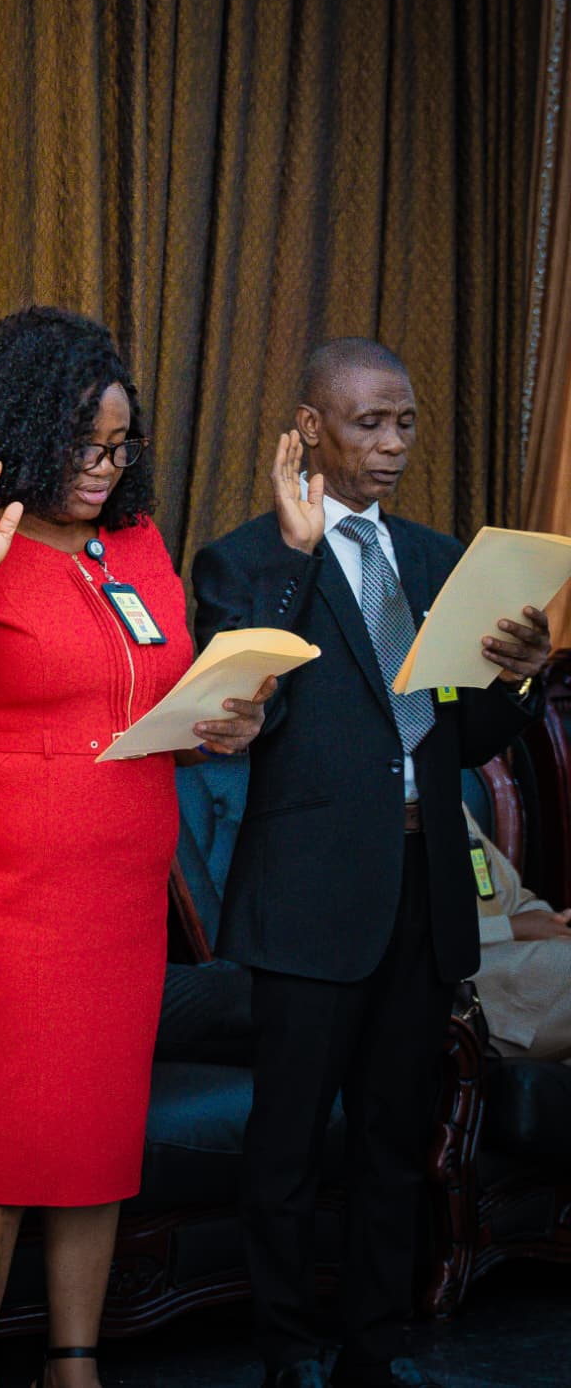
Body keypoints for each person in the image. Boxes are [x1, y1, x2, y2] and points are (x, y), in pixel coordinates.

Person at [0, 307, 268, 1388]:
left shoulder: (134, 542)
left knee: (97, 1124)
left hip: (118, 878)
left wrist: (220, 722)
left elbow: (153, 691)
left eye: (119, 445)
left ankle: (76, 1363)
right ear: (21, 432)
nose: (103, 467)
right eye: (82, 445)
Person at [191, 337, 551, 1388]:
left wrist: (517, 683)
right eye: (366, 423)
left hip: (419, 888)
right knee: (289, 1145)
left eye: (402, 423)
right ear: (309, 428)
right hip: (308, 898)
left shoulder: (440, 561)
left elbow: (467, 741)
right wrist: (301, 562)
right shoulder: (246, 561)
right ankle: (284, 1350)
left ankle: (374, 1347)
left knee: (399, 1140)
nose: (391, 445)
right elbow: (246, 714)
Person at [464, 817, 571, 1062]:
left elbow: (514, 900)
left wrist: (553, 923)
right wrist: (510, 928)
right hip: (460, 983)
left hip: (519, 963)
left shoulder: (448, 800)